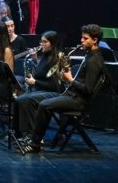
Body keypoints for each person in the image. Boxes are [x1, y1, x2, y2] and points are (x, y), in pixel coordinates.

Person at [22, 24, 106, 153]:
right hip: (72, 95)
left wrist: (70, 79)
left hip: (78, 101)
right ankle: (31, 137)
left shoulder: (94, 61)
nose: (81, 41)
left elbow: (88, 90)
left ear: (95, 40)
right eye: (82, 38)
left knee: (44, 105)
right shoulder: (90, 55)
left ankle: (35, 143)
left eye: (85, 38)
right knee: (36, 100)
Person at [15, 31, 65, 138]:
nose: (41, 44)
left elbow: (55, 85)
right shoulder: (45, 56)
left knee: (26, 99)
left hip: (53, 92)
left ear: (53, 43)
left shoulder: (57, 59)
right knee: (18, 99)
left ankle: (32, 136)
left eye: (44, 42)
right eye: (41, 41)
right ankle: (18, 133)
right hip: (40, 90)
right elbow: (40, 73)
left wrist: (35, 82)